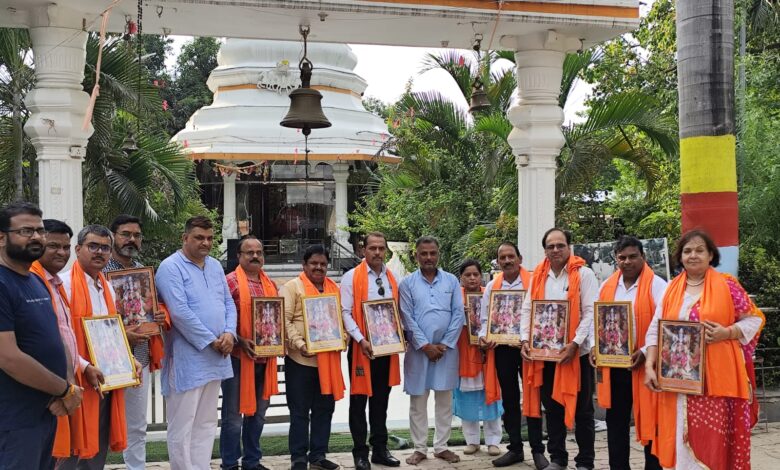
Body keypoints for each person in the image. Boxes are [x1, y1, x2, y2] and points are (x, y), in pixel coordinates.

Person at [643, 230, 764, 470]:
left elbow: (755, 320)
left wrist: (726, 333)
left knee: (712, 442)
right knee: (679, 440)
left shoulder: (728, 285)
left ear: (711, 256)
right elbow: (655, 329)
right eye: (687, 251)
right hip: (677, 382)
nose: (693, 255)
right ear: (680, 257)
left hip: (716, 382)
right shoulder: (670, 289)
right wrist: (649, 365)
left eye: (699, 250)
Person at [0, 202, 82, 469]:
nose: (36, 237)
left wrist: (68, 386)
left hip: (46, 411)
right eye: (26, 230)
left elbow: (58, 338)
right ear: (2, 237)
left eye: (40, 230)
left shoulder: (36, 281)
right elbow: (8, 357)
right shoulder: (2, 284)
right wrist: (64, 389)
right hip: (14, 419)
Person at [156, 216, 237, 470]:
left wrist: (229, 334)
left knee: (206, 422)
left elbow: (228, 303)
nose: (206, 243)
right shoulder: (170, 267)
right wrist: (211, 340)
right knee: (183, 424)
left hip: (216, 357)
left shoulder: (214, 266)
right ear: (185, 238)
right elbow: (179, 312)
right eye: (199, 237)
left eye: (210, 238)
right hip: (187, 359)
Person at [520, 228, 598, 470]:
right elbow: (527, 310)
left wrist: (574, 344)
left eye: (560, 245)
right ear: (545, 250)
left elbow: (590, 313)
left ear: (569, 247)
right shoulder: (538, 277)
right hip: (546, 355)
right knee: (552, 408)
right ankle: (558, 458)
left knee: (583, 410)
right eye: (550, 246)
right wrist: (524, 339)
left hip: (577, 355)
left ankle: (585, 461)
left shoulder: (584, 275)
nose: (555, 250)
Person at [30, 219, 105, 462]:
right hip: (45, 389)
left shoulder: (55, 283)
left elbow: (64, 336)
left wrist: (83, 367)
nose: (60, 252)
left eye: (64, 246)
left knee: (58, 457)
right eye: (53, 246)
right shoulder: (33, 283)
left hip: (71, 384)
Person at [588, 236, 665, 470]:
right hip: (616, 365)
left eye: (633, 256)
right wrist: (594, 346)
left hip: (647, 365)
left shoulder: (658, 285)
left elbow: (663, 324)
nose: (627, 261)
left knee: (651, 419)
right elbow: (596, 320)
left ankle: (653, 467)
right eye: (622, 257)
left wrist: (643, 351)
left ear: (643, 257)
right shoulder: (607, 286)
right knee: (616, 421)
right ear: (616, 259)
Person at [60, 225, 130, 470]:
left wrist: (129, 360)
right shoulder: (64, 285)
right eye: (93, 246)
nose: (100, 252)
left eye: (105, 248)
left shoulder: (107, 287)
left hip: (104, 380)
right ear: (78, 249)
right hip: (75, 379)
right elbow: (61, 337)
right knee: (72, 449)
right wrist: (84, 365)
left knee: (97, 446)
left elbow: (111, 333)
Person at [104, 214, 168, 470]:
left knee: (137, 425)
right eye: (125, 234)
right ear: (112, 237)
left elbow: (150, 311)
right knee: (97, 423)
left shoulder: (143, 271)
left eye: (137, 235)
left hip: (138, 358)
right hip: (104, 360)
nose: (132, 239)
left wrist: (159, 315)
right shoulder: (100, 271)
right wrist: (121, 334)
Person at [478, 242, 548, 469]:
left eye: (510, 256)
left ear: (520, 258)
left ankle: (538, 450)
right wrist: (483, 335)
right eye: (502, 257)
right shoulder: (492, 286)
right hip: (502, 348)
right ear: (498, 261)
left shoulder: (534, 282)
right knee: (509, 399)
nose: (506, 261)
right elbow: (485, 319)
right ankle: (515, 448)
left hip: (528, 348)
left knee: (533, 396)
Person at [340, 232, 402, 470]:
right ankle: (360, 453)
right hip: (361, 349)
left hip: (386, 349)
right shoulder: (350, 278)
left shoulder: (392, 278)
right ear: (362, 250)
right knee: (358, 402)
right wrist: (361, 339)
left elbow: (395, 312)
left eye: (381, 248)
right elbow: (345, 312)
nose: (377, 252)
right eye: (372, 248)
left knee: (381, 401)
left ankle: (379, 449)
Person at [398, 236, 463, 466]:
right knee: (418, 401)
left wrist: (443, 345)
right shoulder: (407, 284)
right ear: (415, 255)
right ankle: (419, 448)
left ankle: (442, 447)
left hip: (447, 351)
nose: (428, 257)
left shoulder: (452, 281)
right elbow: (407, 317)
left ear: (438, 254)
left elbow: (458, 314)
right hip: (419, 351)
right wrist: (425, 346)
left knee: (444, 400)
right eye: (423, 253)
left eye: (432, 253)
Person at [282, 244, 345, 470]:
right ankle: (298, 457)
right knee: (299, 411)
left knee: (324, 410)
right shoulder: (292, 287)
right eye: (314, 263)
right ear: (304, 265)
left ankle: (317, 456)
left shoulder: (333, 288)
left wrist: (343, 338)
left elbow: (339, 319)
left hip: (327, 362)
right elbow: (284, 321)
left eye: (323, 264)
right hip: (300, 360)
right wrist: (299, 344)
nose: (318, 268)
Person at [221, 235, 279, 470]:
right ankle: (229, 463)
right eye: (249, 252)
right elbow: (222, 318)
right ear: (239, 256)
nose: (255, 256)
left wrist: (278, 340)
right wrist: (238, 339)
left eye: (259, 252)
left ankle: (252, 461)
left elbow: (274, 319)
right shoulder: (230, 282)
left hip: (266, 359)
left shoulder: (271, 284)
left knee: (258, 415)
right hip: (237, 359)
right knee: (233, 417)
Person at [453, 259, 504, 458]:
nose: (472, 278)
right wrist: (459, 314)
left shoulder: (489, 295)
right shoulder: (456, 298)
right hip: (464, 353)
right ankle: (472, 441)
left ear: (481, 276)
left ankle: (493, 441)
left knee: (490, 397)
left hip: (487, 354)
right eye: (467, 275)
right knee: (467, 399)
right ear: (461, 278)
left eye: (475, 274)